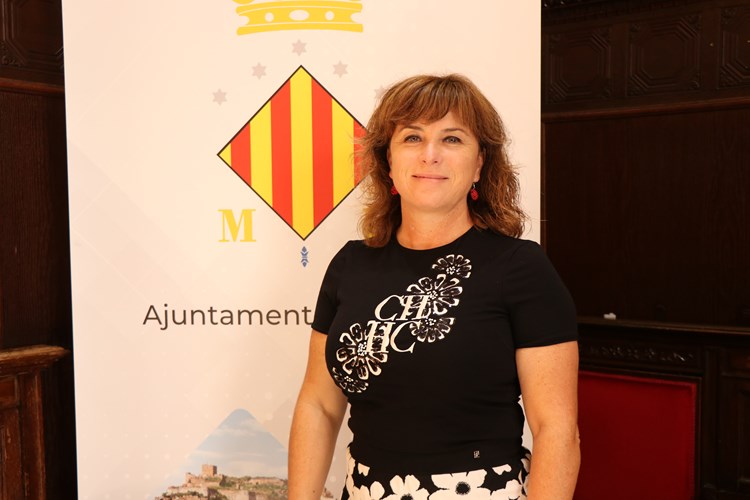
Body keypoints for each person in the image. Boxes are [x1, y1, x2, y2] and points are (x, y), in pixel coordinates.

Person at [289, 74, 580, 500]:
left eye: (452, 139)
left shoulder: (521, 268)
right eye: (412, 137)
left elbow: (557, 429)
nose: (430, 155)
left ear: (479, 163)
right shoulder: (350, 265)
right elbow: (318, 405)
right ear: (388, 161)